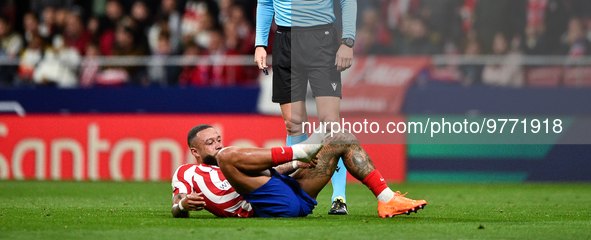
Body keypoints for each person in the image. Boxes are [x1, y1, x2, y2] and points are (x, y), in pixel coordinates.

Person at [253, 0, 357, 214]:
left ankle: (339, 198)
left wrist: (347, 41)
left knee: (329, 124)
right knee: (293, 121)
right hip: (285, 41)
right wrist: (261, 43)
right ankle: (298, 194)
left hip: (321, 40)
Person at [171, 124, 426, 218]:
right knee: (228, 156)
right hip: (267, 205)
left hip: (295, 193)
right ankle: (300, 150)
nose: (217, 144)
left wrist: (294, 165)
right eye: (209, 143)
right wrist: (183, 206)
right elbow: (175, 206)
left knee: (341, 137)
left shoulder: (234, 158)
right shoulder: (186, 173)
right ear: (194, 152)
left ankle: (387, 199)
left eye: (217, 139)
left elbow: (270, 171)